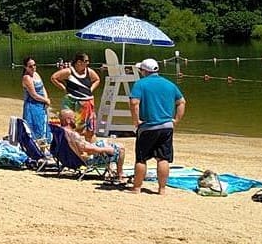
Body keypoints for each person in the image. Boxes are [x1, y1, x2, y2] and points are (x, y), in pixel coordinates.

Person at [129, 58, 186, 195]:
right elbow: (182, 102)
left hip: (148, 126)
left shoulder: (140, 84)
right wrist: (176, 120)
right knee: (163, 158)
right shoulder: (169, 84)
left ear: (144, 71)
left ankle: (137, 188)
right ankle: (162, 189)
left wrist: (136, 121)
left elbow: (134, 103)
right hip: (166, 126)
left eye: (141, 70)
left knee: (141, 158)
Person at [58, 108, 126, 183]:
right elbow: (86, 149)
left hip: (69, 159)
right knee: (120, 148)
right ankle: (120, 174)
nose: (76, 120)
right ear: (68, 120)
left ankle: (111, 170)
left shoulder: (59, 132)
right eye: (74, 118)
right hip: (84, 160)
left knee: (105, 143)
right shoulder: (72, 134)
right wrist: (105, 149)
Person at [51, 52, 100, 137]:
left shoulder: (89, 71)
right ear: (79, 62)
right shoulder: (69, 71)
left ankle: (85, 142)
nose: (88, 63)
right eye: (86, 61)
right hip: (72, 100)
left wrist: (91, 89)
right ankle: (71, 141)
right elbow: (54, 78)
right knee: (71, 124)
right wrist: (64, 88)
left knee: (88, 128)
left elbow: (97, 79)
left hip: (87, 101)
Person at [21, 57, 51, 144]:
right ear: (25, 67)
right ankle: (35, 145)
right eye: (30, 66)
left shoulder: (36, 74)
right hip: (32, 105)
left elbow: (43, 88)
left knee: (43, 123)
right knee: (35, 125)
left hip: (41, 103)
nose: (33, 67)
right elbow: (34, 95)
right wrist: (45, 100)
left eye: (34, 65)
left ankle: (44, 143)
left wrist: (46, 99)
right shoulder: (26, 78)